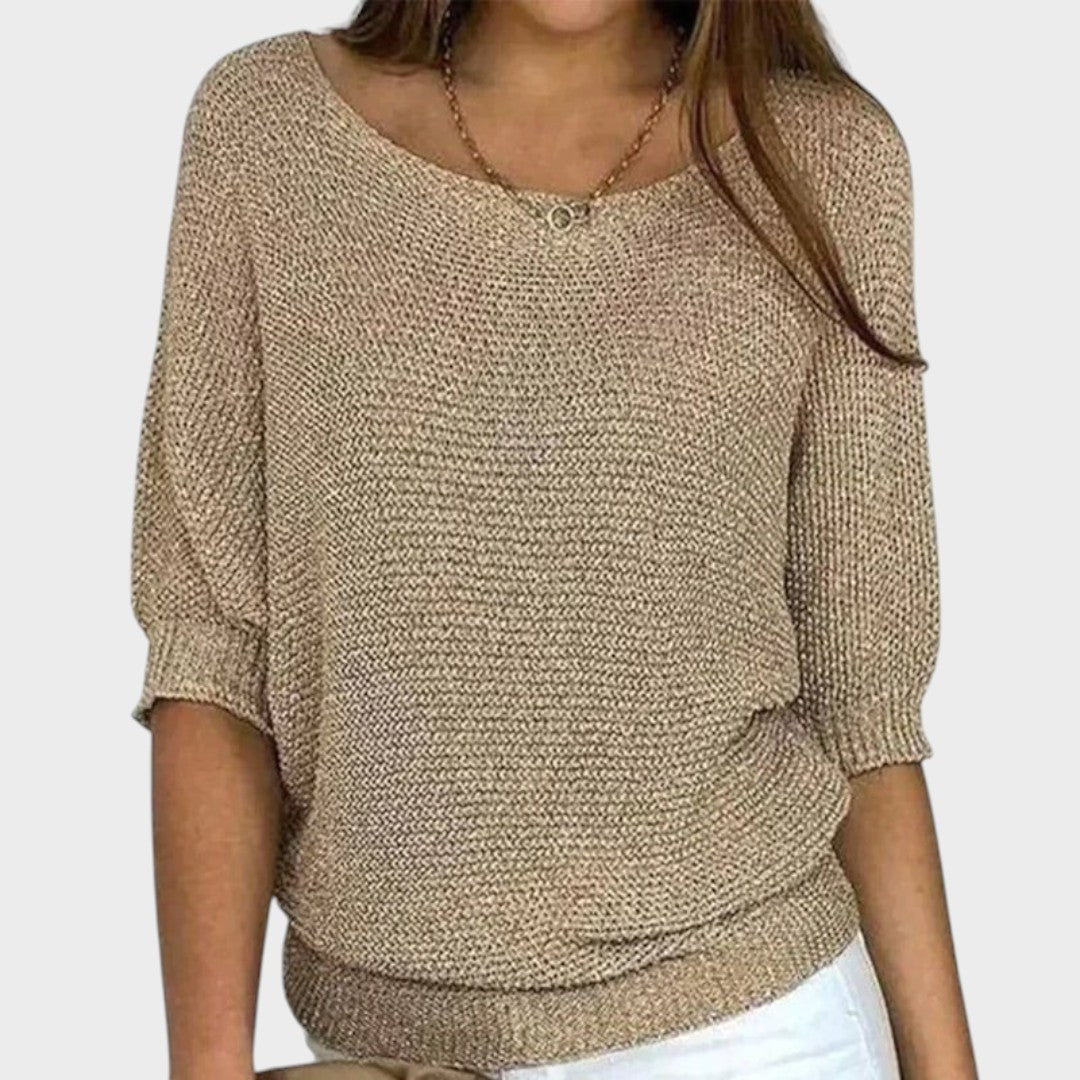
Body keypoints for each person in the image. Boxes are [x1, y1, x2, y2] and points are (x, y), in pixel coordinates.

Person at [127, 2, 979, 1078]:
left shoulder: (822, 162)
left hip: (755, 1028)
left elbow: (865, 713)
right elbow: (211, 654)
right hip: (382, 1044)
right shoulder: (268, 131)